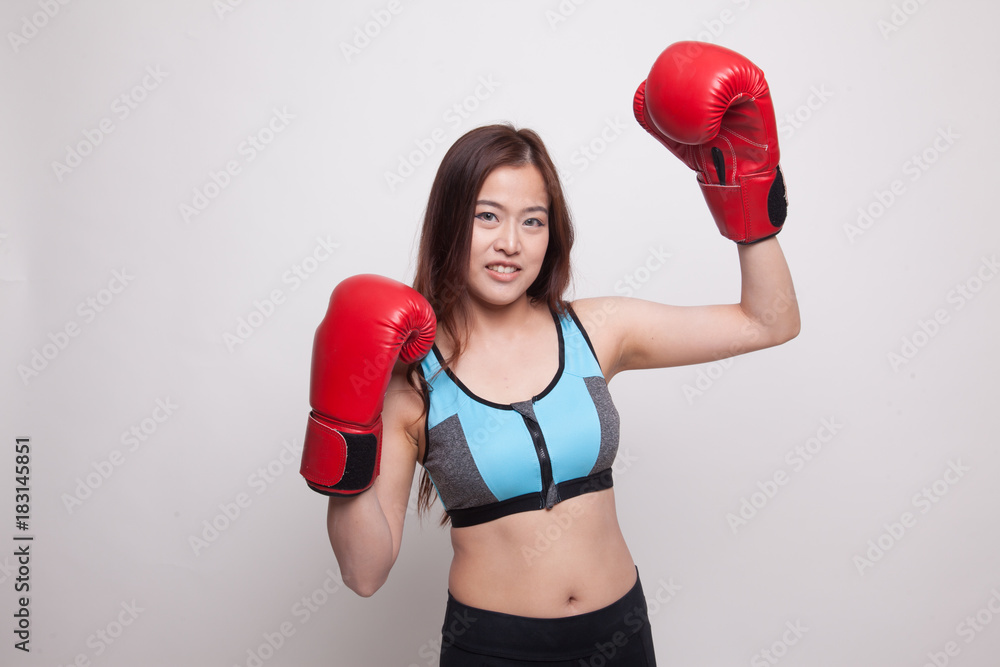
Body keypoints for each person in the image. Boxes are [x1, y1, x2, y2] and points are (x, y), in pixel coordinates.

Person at [299, 41, 800, 666]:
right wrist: (339, 424)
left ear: (551, 234)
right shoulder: (415, 383)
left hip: (620, 634)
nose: (510, 242)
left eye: (532, 221)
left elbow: (768, 322)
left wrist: (746, 193)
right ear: (451, 222)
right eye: (488, 216)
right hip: (495, 649)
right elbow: (365, 572)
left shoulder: (597, 330)